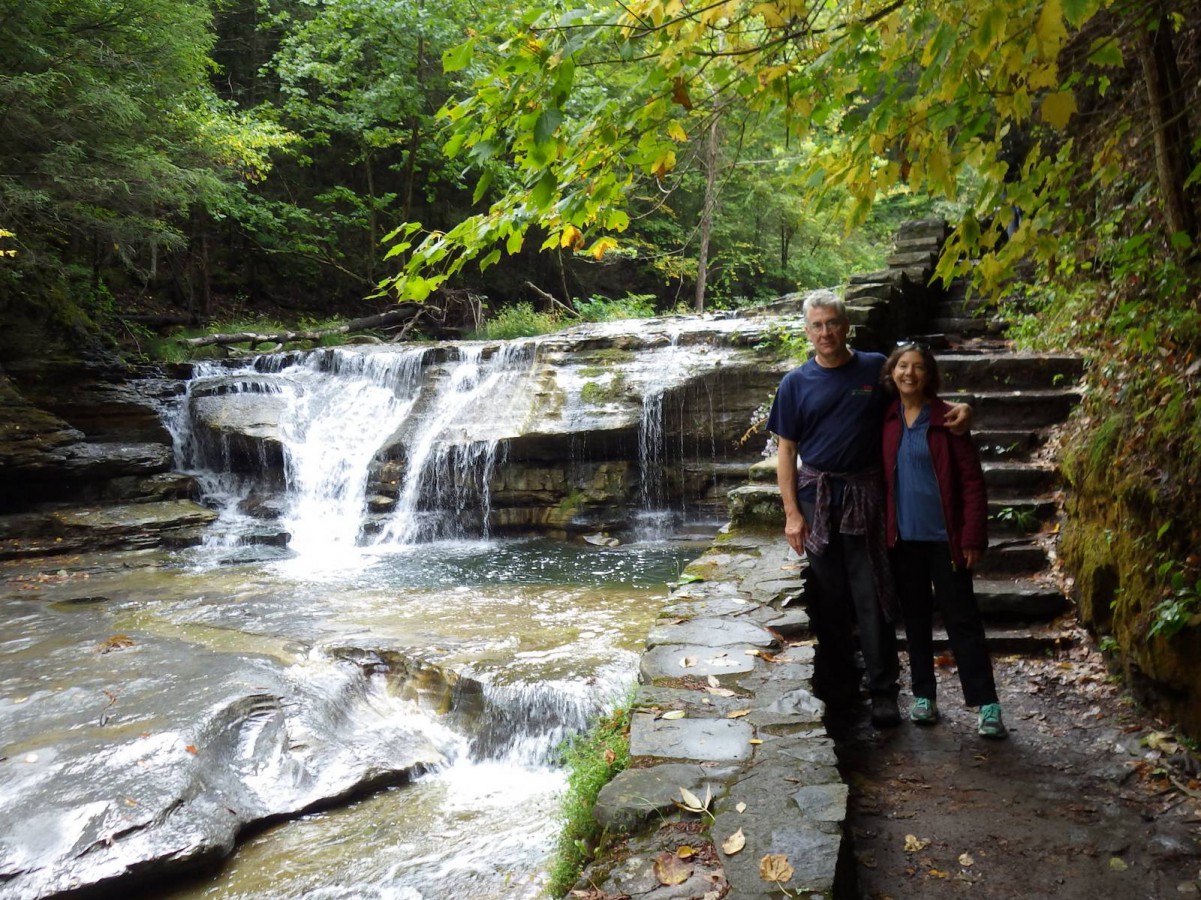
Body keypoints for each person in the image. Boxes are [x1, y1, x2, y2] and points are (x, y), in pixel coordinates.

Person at [767, 294, 904, 727]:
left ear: (846, 326)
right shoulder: (794, 383)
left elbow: (913, 401)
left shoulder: (874, 368)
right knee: (829, 599)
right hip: (817, 497)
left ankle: (884, 691)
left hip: (866, 493)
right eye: (817, 326)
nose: (825, 333)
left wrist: (958, 411)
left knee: (872, 593)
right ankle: (843, 689)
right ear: (807, 332)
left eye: (832, 324)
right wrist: (792, 513)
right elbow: (786, 452)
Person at [881, 342, 1007, 739]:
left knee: (962, 619)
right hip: (903, 541)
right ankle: (924, 697)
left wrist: (973, 537)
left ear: (929, 375)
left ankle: (987, 705)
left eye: (918, 367)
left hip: (945, 540)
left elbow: (972, 482)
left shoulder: (950, 419)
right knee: (915, 622)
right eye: (902, 366)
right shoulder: (885, 419)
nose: (909, 374)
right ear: (892, 372)